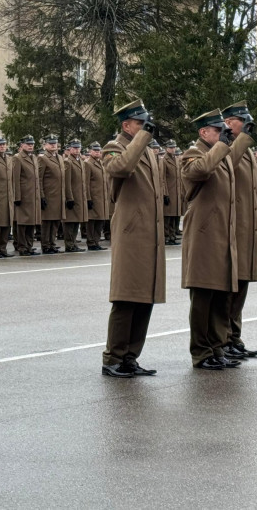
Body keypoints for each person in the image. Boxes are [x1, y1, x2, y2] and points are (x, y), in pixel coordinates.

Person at [101, 100, 165, 378]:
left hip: (149, 231)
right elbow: (121, 169)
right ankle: (112, 358)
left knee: (144, 297)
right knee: (126, 297)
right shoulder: (112, 148)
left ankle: (130, 356)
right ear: (126, 125)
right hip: (130, 231)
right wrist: (141, 139)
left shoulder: (147, 150)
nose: (145, 128)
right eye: (140, 123)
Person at [181, 109, 248, 370]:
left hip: (222, 235)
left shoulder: (221, 154)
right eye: (217, 131)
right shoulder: (193, 154)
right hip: (203, 236)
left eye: (223, 131)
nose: (222, 135)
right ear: (203, 132)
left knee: (221, 295)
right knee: (203, 297)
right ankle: (201, 351)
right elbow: (201, 170)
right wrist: (222, 145)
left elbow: (232, 160)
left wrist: (240, 139)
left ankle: (217, 347)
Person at [221, 102, 257, 359]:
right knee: (230, 287)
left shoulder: (245, 148)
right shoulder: (226, 146)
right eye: (241, 121)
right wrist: (241, 139)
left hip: (247, 229)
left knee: (242, 286)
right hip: (233, 229)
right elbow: (226, 163)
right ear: (228, 123)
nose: (246, 125)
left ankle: (234, 337)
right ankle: (223, 338)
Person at [12, 135, 42, 256]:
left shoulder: (33, 157)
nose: (30, 146)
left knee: (31, 222)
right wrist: (17, 197)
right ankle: (22, 247)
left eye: (32, 143)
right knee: (23, 223)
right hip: (24, 196)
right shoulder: (18, 158)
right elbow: (16, 178)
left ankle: (29, 246)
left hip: (33, 195)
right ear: (22, 145)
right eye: (28, 144)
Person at [39, 135, 65, 254]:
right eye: (50, 143)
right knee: (47, 222)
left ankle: (52, 243)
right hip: (48, 195)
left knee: (55, 222)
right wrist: (41, 195)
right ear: (45, 145)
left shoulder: (59, 157)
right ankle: (46, 245)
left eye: (55, 143)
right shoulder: (43, 158)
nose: (53, 145)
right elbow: (39, 178)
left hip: (58, 195)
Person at [63, 140, 88, 253]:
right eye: (74, 148)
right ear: (70, 149)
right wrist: (69, 197)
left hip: (80, 196)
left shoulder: (81, 161)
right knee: (70, 222)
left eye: (78, 148)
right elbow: (67, 182)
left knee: (76, 221)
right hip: (72, 196)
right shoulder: (68, 162)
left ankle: (73, 243)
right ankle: (69, 244)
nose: (77, 150)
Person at [84, 142, 109, 251]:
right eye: (95, 150)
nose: (98, 152)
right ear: (90, 151)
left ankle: (96, 241)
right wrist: (88, 198)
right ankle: (91, 242)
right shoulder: (88, 164)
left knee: (100, 220)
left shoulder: (101, 163)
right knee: (92, 220)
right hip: (93, 197)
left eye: (99, 151)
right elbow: (86, 182)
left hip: (102, 197)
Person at [162, 140, 181, 246]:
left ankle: (173, 237)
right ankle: (166, 237)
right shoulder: (164, 160)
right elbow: (162, 178)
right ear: (167, 148)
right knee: (168, 217)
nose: (173, 149)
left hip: (176, 193)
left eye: (174, 147)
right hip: (169, 192)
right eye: (171, 147)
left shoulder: (176, 159)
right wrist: (165, 193)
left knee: (174, 216)